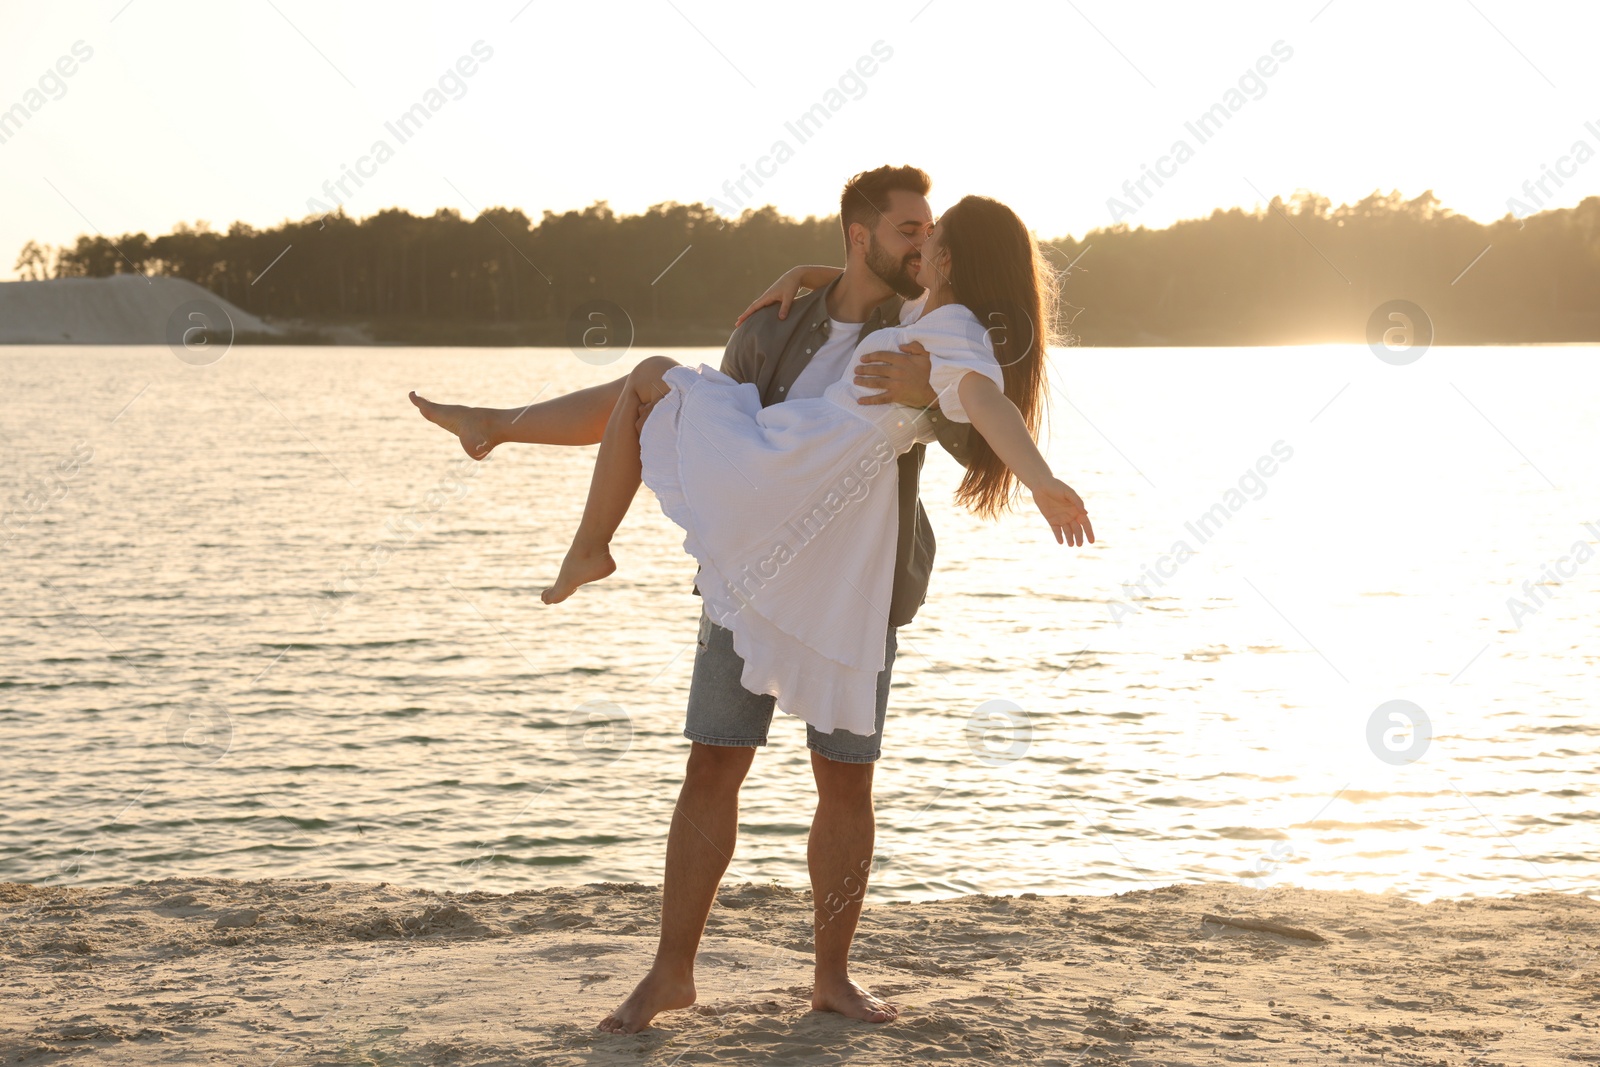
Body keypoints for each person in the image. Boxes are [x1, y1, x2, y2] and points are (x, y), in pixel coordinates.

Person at [408, 166, 1091, 1032]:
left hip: (852, 579)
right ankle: (670, 971)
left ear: (948, 256)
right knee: (714, 756)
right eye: (906, 231)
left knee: (845, 780)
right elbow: (878, 313)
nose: (920, 245)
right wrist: (811, 276)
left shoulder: (932, 327)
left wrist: (1036, 476)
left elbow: (983, 410)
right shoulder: (788, 320)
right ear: (860, 235)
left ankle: (832, 978)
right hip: (757, 552)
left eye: (931, 235)